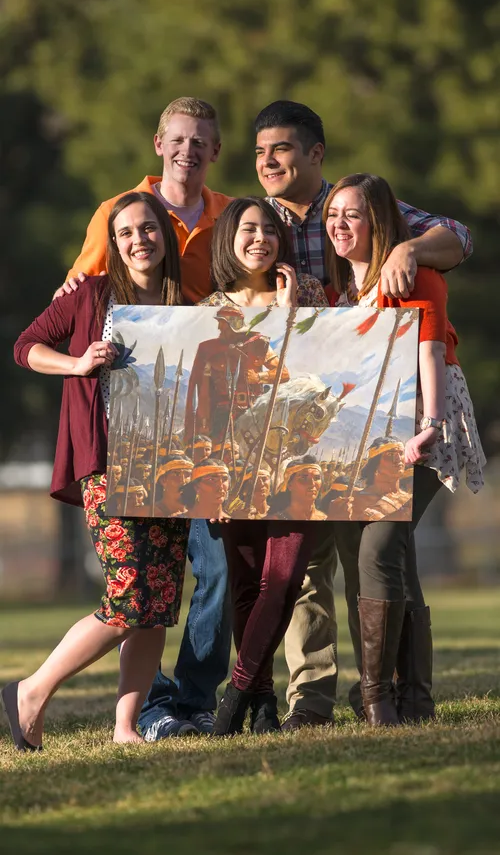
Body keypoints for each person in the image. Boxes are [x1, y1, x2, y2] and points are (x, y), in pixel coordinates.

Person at [254, 99, 474, 729]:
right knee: (330, 560)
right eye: (262, 151)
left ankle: (390, 695)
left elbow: (458, 239)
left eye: (284, 149)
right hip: (329, 422)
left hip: (401, 422)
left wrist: (411, 249)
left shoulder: (371, 214)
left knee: (378, 549)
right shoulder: (253, 220)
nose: (270, 162)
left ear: (315, 154)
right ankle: (339, 698)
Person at [56, 98, 233, 739]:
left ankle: (190, 698)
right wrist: (76, 363)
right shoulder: (120, 214)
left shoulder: (230, 216)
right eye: (178, 139)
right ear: (160, 143)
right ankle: (142, 706)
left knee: (210, 570)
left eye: (201, 141)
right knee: (144, 592)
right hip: (131, 436)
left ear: (215, 150)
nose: (188, 150)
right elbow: (76, 299)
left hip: (202, 427)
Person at [4, 191, 194, 750]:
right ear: (113, 243)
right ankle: (30, 692)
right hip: (109, 462)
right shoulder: (90, 294)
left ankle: (125, 728)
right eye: (127, 232)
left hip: (172, 465)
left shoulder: (186, 304)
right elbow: (26, 346)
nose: (140, 240)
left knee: (157, 606)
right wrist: (78, 363)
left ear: (167, 236)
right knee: (129, 595)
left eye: (149, 229)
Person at [324, 172, 485, 725]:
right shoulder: (343, 292)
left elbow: (431, 351)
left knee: (378, 551)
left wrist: (433, 422)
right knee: (398, 558)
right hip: (372, 437)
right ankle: (412, 698)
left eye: (352, 214)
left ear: (378, 221)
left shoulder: (411, 273)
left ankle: (378, 701)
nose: (339, 225)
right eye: (332, 215)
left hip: (423, 424)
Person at [198, 195, 327, 736]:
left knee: (285, 576)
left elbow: (326, 372)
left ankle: (234, 698)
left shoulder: (309, 294)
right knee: (248, 583)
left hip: (297, 462)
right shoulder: (207, 311)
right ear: (228, 237)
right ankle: (266, 702)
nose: (260, 238)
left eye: (269, 230)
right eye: (248, 229)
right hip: (233, 466)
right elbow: (201, 403)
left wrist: (293, 310)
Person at [184, 303, 289, 448]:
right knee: (218, 449)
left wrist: (258, 377)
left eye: (222, 323)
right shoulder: (208, 348)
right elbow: (200, 385)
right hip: (222, 412)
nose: (219, 328)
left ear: (232, 324)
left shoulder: (258, 344)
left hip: (253, 409)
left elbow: (283, 374)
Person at [328, 437, 412, 521]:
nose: (398, 459)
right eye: (390, 454)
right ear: (376, 463)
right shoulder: (356, 501)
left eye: (401, 453)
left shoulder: (410, 499)